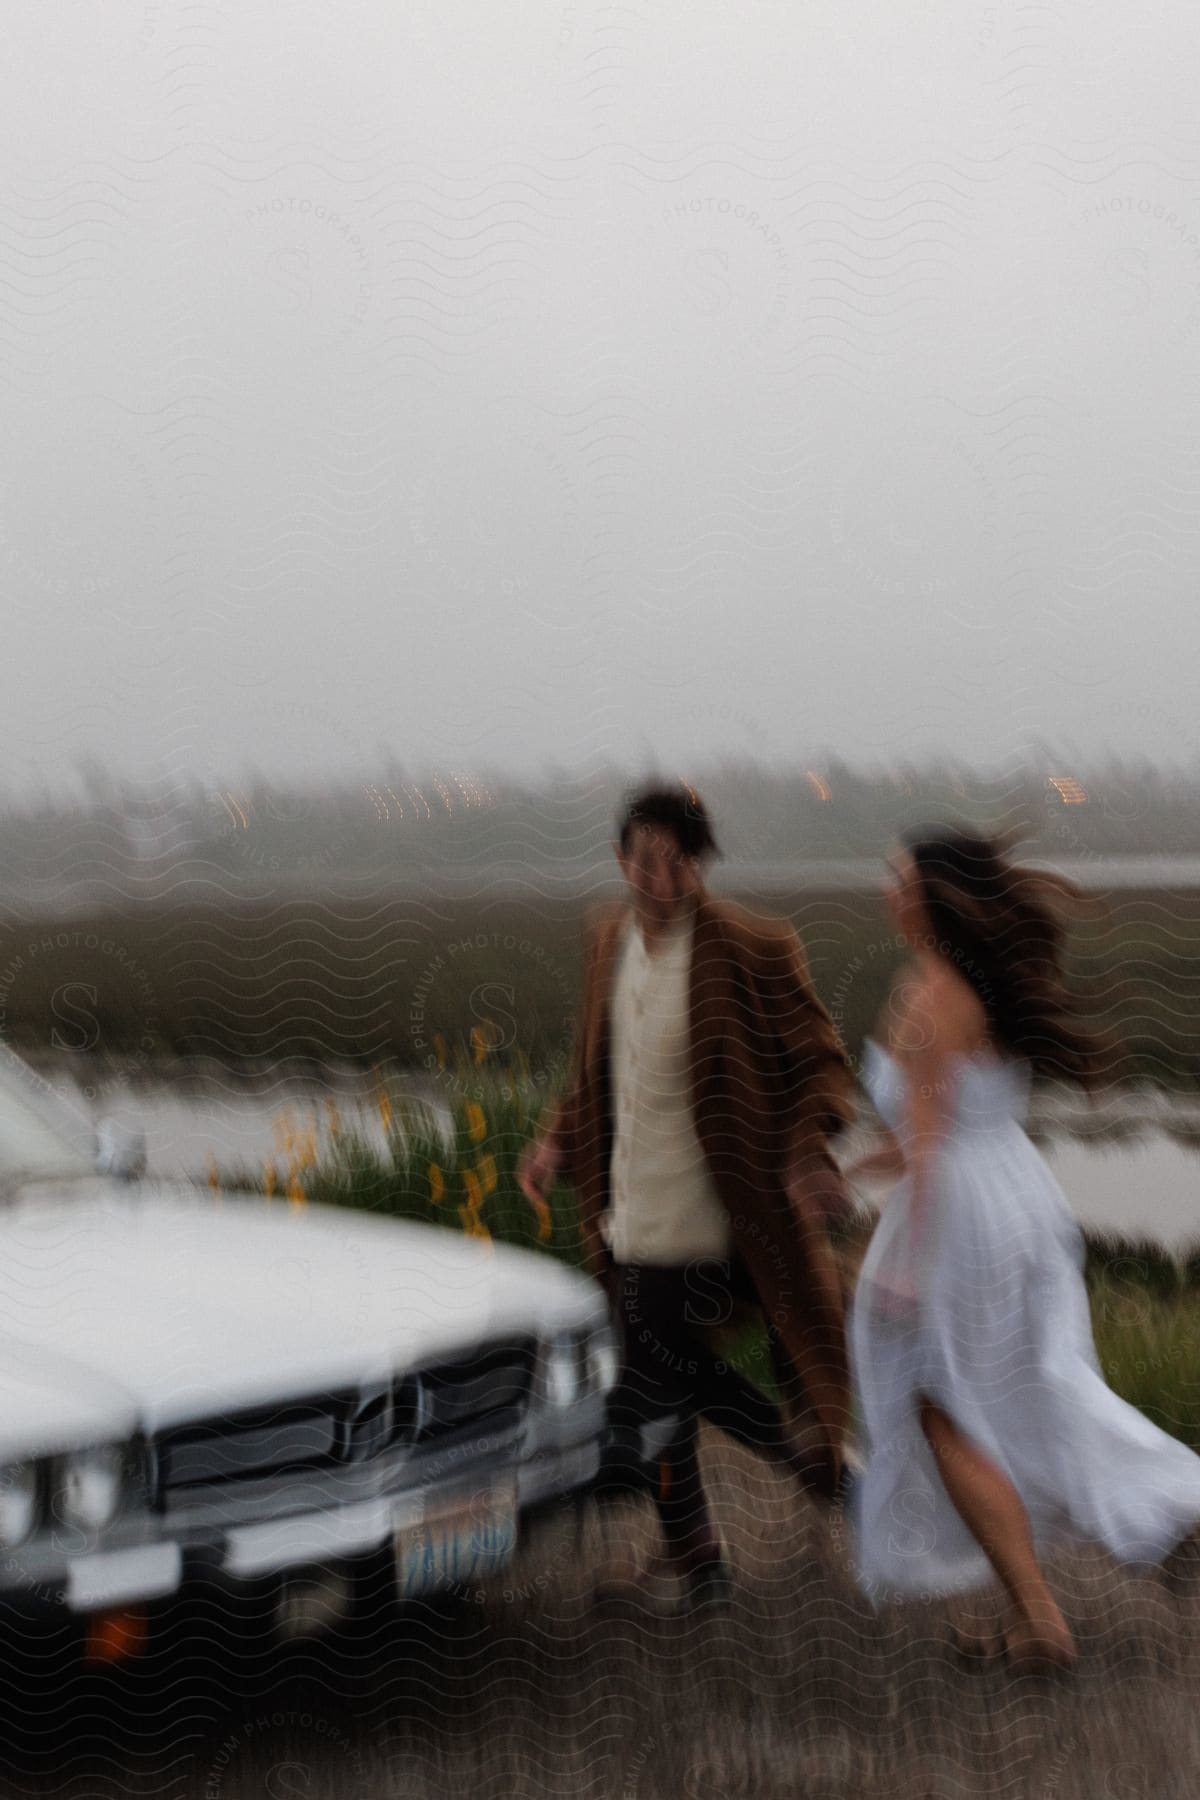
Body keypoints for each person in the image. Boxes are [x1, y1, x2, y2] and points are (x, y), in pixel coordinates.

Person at [844, 827, 1200, 1671]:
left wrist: (898, 1265)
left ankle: (1046, 1615)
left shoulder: (929, 996)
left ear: (933, 897)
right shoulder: (983, 985)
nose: (887, 890)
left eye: (900, 878)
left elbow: (928, 1152)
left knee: (939, 1407)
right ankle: (1160, 1510)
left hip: (960, 1219)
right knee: (1035, 1389)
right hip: (1020, 1201)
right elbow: (935, 1129)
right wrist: (850, 1170)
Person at [517, 782, 857, 1610]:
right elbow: (596, 1063)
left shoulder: (750, 945)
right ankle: (747, 1513)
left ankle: (727, 1532)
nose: (660, 880)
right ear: (621, 858)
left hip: (713, 1209)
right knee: (659, 1371)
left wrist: (811, 1154)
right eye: (645, 861)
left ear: (700, 864)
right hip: (625, 1203)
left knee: (657, 1369)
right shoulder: (608, 941)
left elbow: (819, 1062)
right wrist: (558, 1138)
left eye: (678, 864)